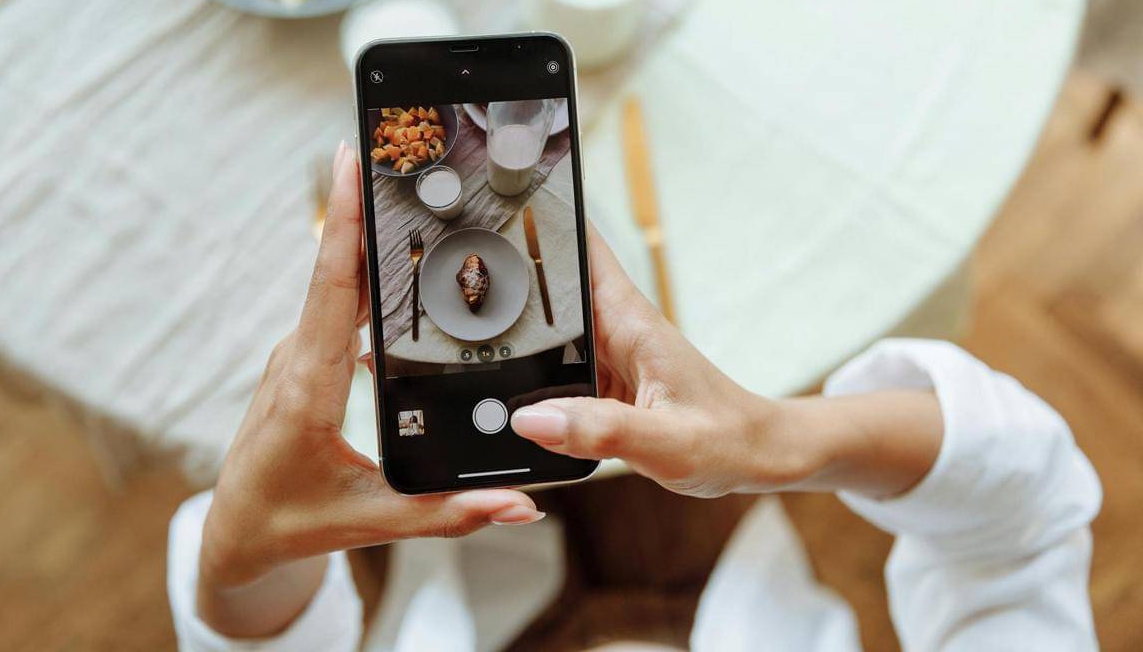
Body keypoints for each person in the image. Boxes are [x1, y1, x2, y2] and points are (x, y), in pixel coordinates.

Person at [167, 142, 1101, 650]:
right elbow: (1023, 523)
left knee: (438, 414)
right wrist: (783, 437)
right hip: (705, 565)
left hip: (463, 592)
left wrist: (231, 564)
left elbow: (269, 632)